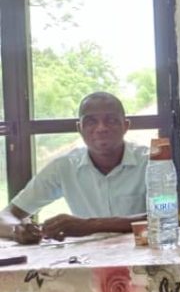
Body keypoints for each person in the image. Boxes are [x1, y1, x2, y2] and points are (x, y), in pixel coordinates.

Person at [0, 92, 148, 244]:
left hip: (144, 251)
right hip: (90, 255)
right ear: (79, 128)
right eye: (91, 122)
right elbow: (6, 216)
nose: (101, 128)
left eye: (111, 120)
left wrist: (89, 226)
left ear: (126, 126)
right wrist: (17, 230)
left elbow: (163, 217)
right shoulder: (64, 167)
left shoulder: (151, 163)